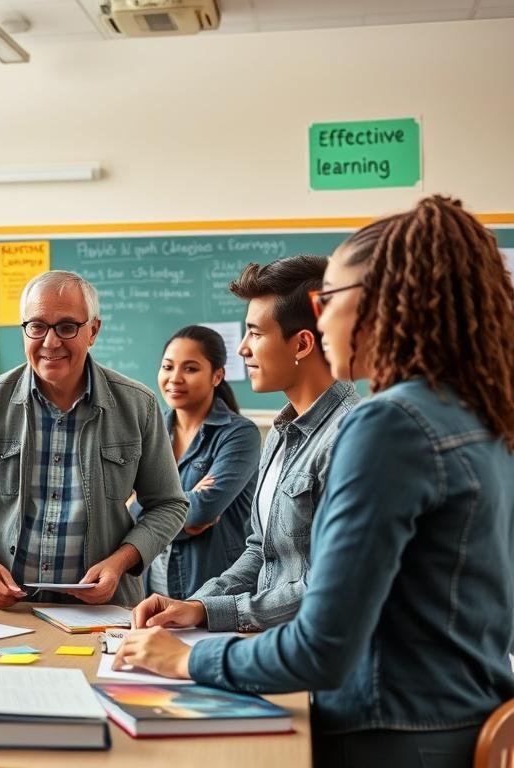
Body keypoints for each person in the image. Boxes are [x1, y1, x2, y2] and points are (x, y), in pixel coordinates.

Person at [115, 196, 514, 768]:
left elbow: (321, 646)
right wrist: (203, 612)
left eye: (330, 301)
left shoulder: (389, 423)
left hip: (386, 733)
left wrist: (185, 660)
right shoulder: (478, 411)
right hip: (452, 722)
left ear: (384, 305)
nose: (321, 319)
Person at [0, 270, 187, 608]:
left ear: (93, 330)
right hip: (7, 608)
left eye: (67, 327)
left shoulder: (138, 406)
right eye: (37, 327)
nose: (50, 343)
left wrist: (119, 562)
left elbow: (169, 505)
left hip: (99, 610)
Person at [137, 255, 358, 632]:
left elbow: (334, 586)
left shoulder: (352, 438)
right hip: (268, 643)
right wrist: (195, 605)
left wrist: (216, 613)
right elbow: (260, 551)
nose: (242, 349)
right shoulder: (279, 434)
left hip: (314, 659)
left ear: (302, 344)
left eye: (255, 333)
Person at [141, 325, 260, 599]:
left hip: (214, 591)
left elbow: (201, 512)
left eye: (191, 369)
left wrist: (149, 510)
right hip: (152, 586)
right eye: (168, 367)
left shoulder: (239, 434)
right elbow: (120, 513)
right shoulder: (152, 428)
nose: (175, 378)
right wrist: (183, 507)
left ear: (217, 376)